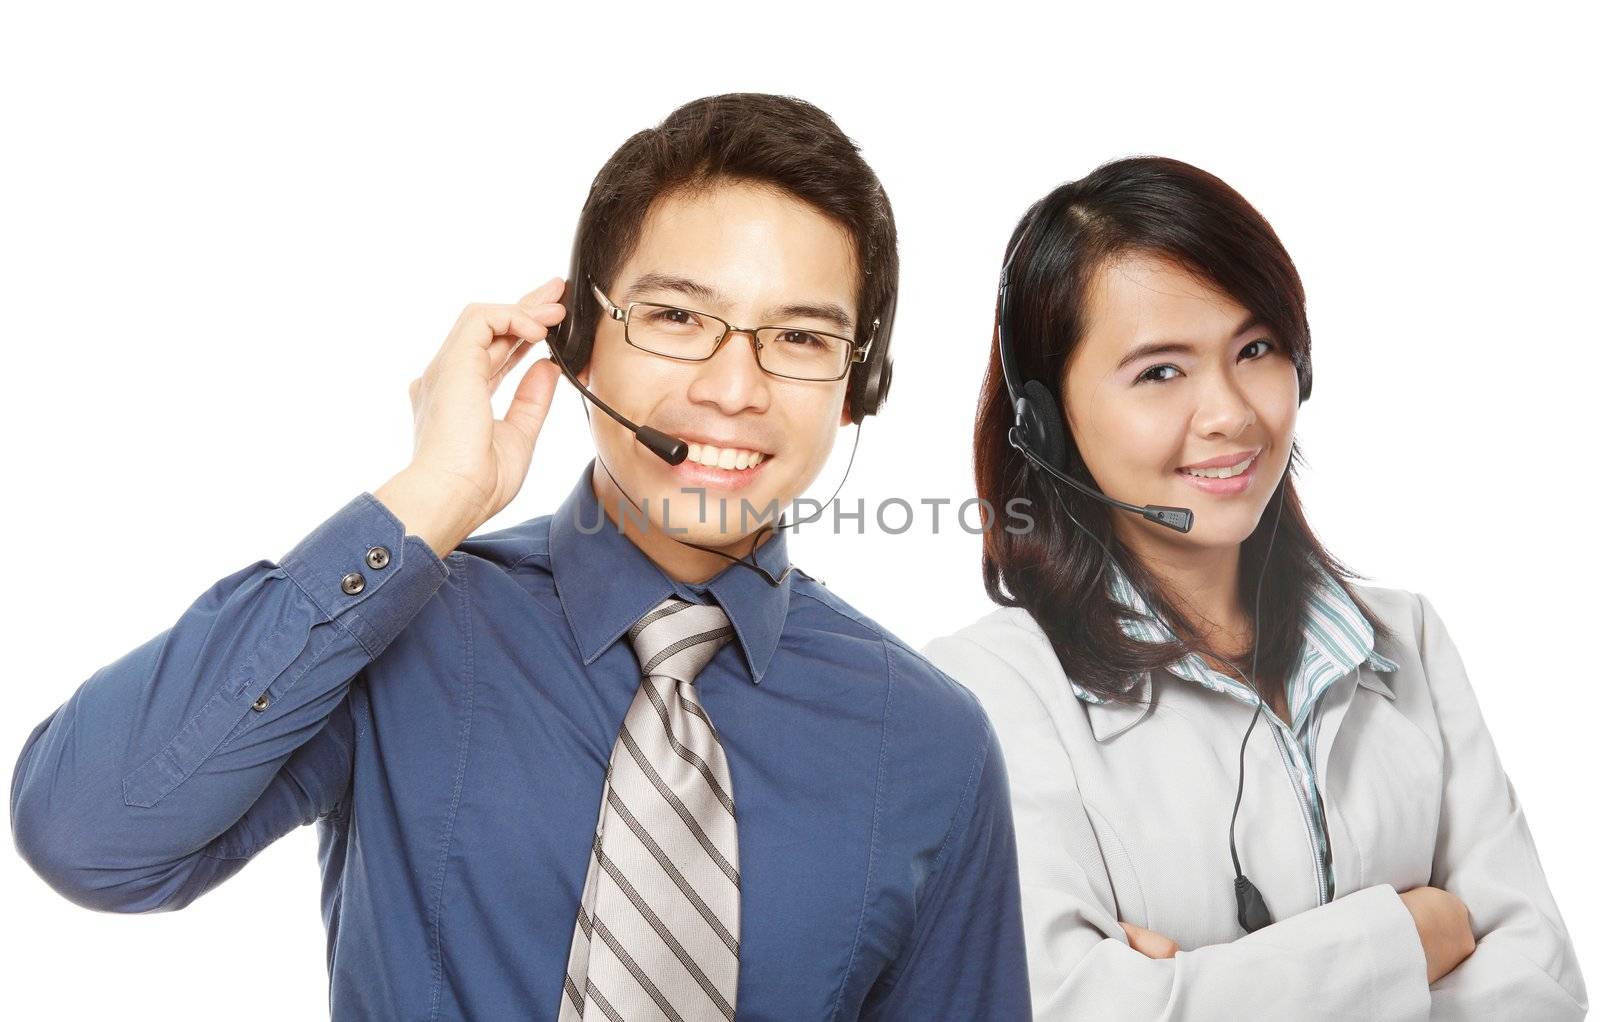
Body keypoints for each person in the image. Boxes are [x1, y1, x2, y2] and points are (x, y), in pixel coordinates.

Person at [11, 93, 1030, 1020]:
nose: (735, 387)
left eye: (799, 338)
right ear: (580, 339)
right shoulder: (404, 626)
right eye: (677, 316)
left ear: (858, 385)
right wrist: (428, 498)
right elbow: (87, 834)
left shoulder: (929, 739)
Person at [920, 156, 1586, 1019]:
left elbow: (1544, 984)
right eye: (1160, 371)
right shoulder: (990, 692)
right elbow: (1067, 1008)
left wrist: (1191, 989)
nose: (1232, 412)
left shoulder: (1404, 640)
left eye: (1256, 349)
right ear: (1048, 424)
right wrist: (1417, 937)